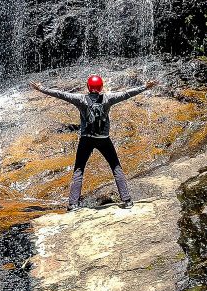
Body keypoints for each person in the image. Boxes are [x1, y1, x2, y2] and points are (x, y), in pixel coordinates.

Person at [30, 74, 158, 211]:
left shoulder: (80, 99)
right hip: (104, 139)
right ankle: (127, 201)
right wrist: (145, 86)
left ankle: (73, 204)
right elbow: (127, 94)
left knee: (79, 169)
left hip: (86, 139)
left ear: (88, 87)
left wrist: (41, 88)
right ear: (101, 87)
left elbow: (61, 94)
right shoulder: (108, 98)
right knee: (116, 167)